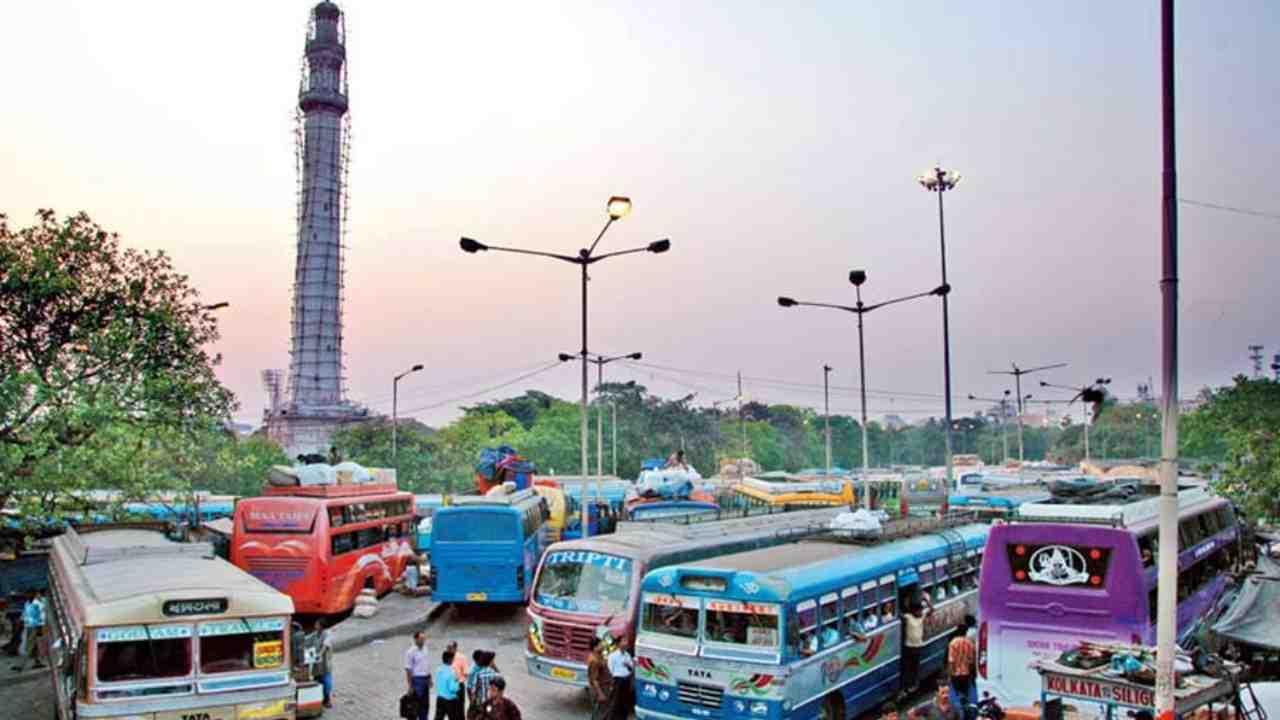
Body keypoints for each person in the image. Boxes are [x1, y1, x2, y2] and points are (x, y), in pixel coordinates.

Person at [901, 595, 932, 696]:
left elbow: (932, 610)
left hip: (918, 646)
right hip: (909, 647)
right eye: (918, 611)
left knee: (915, 667)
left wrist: (926, 601)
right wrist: (907, 602)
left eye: (921, 610)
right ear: (913, 611)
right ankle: (906, 686)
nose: (920, 612)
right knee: (908, 668)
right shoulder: (908, 617)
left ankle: (914, 685)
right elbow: (901, 614)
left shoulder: (922, 615)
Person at [947, 623, 977, 718]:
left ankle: (958, 714)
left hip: (955, 673)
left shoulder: (953, 643)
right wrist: (972, 674)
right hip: (966, 673)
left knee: (956, 695)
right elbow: (972, 661)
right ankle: (966, 712)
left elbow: (951, 660)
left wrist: (950, 673)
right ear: (966, 632)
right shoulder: (970, 643)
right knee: (966, 694)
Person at [11, 592, 45, 671]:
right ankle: (37, 662)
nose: (27, 596)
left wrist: (40, 628)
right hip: (30, 627)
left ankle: (21, 665)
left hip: (34, 627)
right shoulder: (29, 603)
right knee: (34, 647)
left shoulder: (37, 604)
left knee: (29, 646)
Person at [405, 631, 432, 720]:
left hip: (425, 679)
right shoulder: (410, 652)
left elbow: (427, 665)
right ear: (415, 639)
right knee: (415, 704)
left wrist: (430, 678)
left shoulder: (425, 649)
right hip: (417, 680)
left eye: (424, 639)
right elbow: (408, 669)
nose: (423, 641)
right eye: (421, 639)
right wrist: (410, 685)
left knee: (425, 704)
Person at [607, 634, 634, 720]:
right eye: (624, 641)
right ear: (618, 643)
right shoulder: (613, 656)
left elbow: (631, 668)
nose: (626, 643)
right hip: (617, 681)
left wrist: (628, 665)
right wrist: (612, 683)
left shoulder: (627, 655)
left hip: (626, 681)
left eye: (626, 641)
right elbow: (610, 669)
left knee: (625, 703)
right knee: (615, 703)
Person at [466, 650, 500, 719]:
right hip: (492, 703)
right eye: (493, 660)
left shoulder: (479, 674)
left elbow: (473, 690)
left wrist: (473, 703)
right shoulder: (496, 675)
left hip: (481, 703)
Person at [586, 636, 612, 720]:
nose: (603, 645)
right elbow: (594, 680)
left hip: (605, 686)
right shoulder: (594, 660)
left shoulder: (599, 655)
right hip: (601, 688)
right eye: (601, 644)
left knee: (603, 712)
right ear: (595, 647)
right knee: (599, 714)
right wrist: (600, 694)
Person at [435, 649, 464, 720]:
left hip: (440, 698)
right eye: (452, 659)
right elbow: (452, 688)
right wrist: (457, 682)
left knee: (438, 717)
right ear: (449, 659)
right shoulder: (452, 671)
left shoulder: (439, 669)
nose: (453, 660)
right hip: (450, 700)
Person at [313, 620, 335, 708]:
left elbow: (326, 645)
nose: (315, 625)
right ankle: (319, 700)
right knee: (317, 681)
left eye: (316, 624)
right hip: (317, 664)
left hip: (325, 663)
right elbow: (308, 640)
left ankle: (327, 700)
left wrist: (320, 654)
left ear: (321, 626)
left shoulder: (327, 634)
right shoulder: (315, 634)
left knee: (326, 682)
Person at [448, 641, 469, 718]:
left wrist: (458, 679)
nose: (448, 650)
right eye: (447, 648)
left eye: (450, 648)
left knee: (460, 709)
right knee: (450, 709)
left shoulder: (462, 658)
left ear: (455, 648)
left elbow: (466, 673)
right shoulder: (446, 658)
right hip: (449, 687)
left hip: (459, 686)